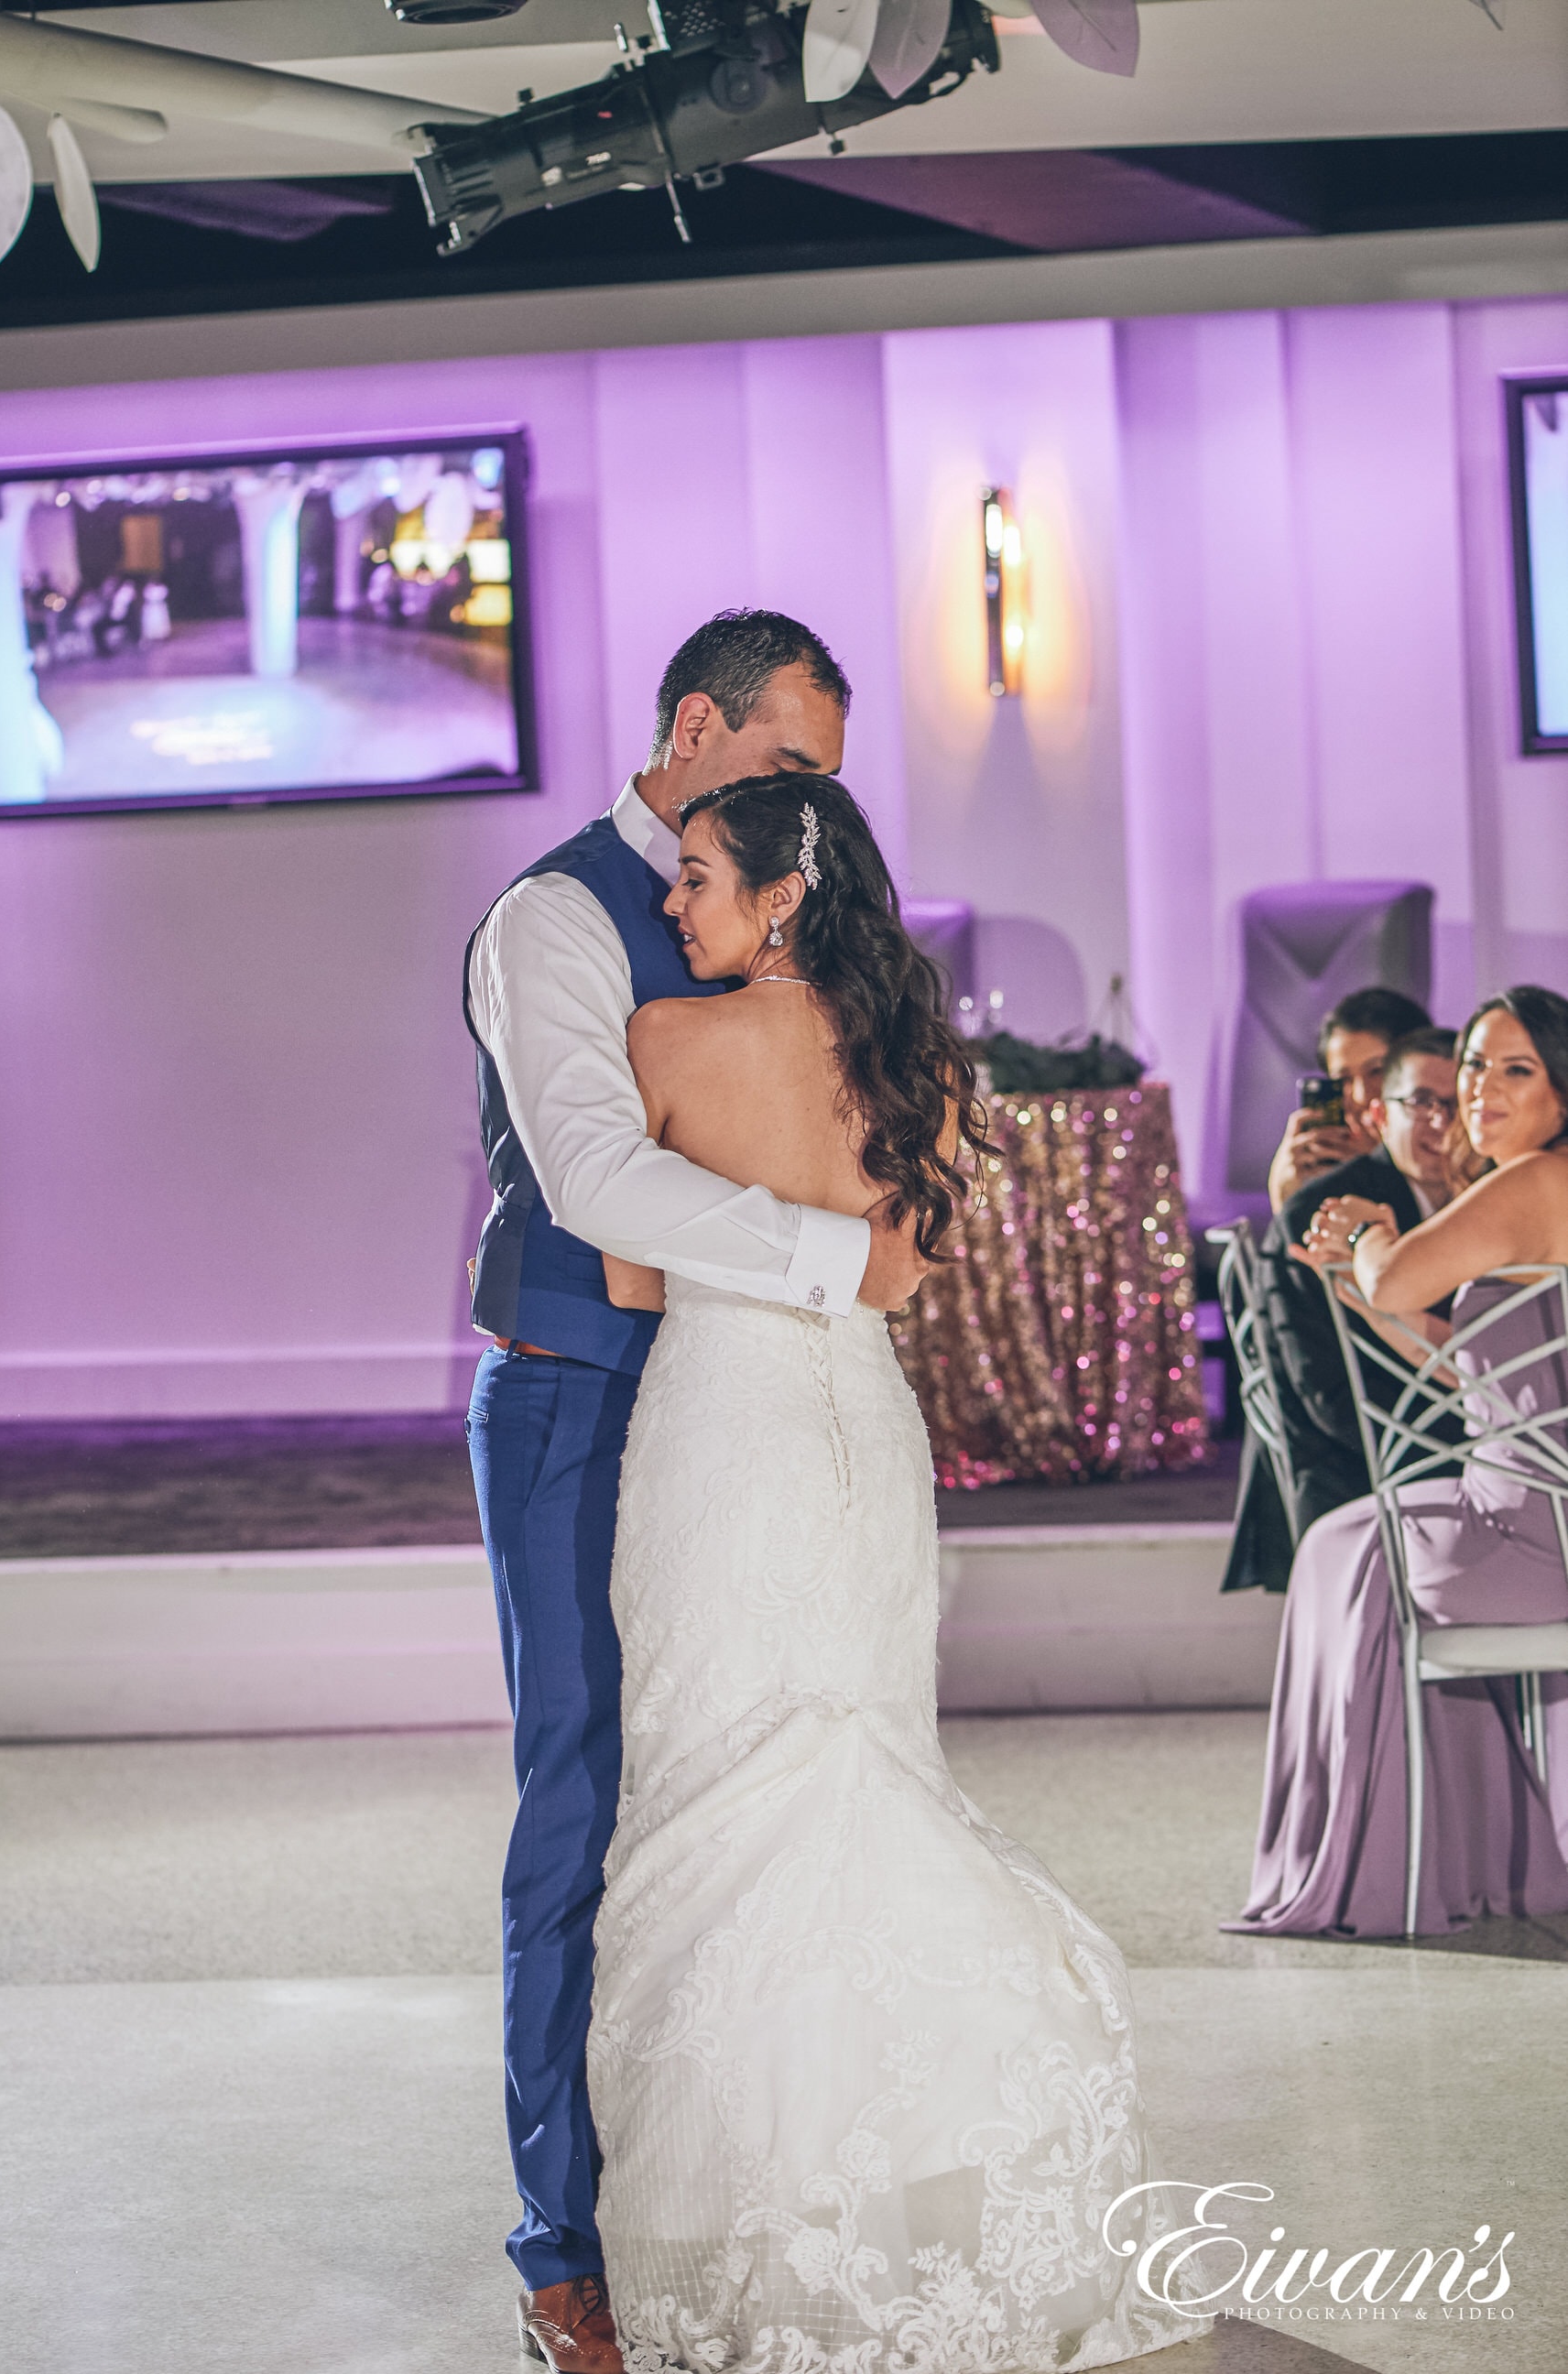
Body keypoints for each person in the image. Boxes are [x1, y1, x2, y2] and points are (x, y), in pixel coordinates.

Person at [587, 773, 1204, 2369]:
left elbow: (631, 1270)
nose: (675, 903)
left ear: (783, 891)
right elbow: (900, 1278)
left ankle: (759, 2239)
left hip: (722, 1427)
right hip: (863, 1426)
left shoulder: (659, 1044)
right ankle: (907, 2215)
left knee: (719, 1782)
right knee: (862, 1761)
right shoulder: (919, 1061)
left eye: (701, 878)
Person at [463, 613, 927, 2374]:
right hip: (584, 1396)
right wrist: (834, 1258)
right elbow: (591, 1171)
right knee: (586, 1801)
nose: (814, 804)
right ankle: (565, 2241)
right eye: (785, 764)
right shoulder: (556, 916)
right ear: (693, 728)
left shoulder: (758, 933)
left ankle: (743, 2192)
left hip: (744, 1409)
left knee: (761, 1787)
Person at [1225, 986, 1568, 1938]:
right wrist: (1365, 1281)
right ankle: (1466, 1856)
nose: (1478, 1090)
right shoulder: (1534, 1184)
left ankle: (1379, 1873)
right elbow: (1469, 1371)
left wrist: (1361, 1238)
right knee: (1345, 1539)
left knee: (1346, 1554)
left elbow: (1401, 1273)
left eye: (1514, 1070)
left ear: (1560, 1090)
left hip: (1533, 1536)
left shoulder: (1530, 1182)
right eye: (1471, 1065)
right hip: (1537, 1515)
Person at [1221, 1028, 1462, 1594]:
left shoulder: (1483, 1204)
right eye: (1423, 1102)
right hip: (1355, 1473)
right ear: (1379, 1115)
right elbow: (1327, 1394)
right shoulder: (1321, 1211)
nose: (1442, 1122)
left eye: (1455, 1104)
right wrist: (1478, 1439)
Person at [1266, 985, 1432, 1214]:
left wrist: (1378, 1167)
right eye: (1343, 1080)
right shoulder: (1330, 1167)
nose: (1360, 1095)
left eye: (1377, 1071)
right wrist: (1288, 1199)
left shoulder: (1444, 1153)